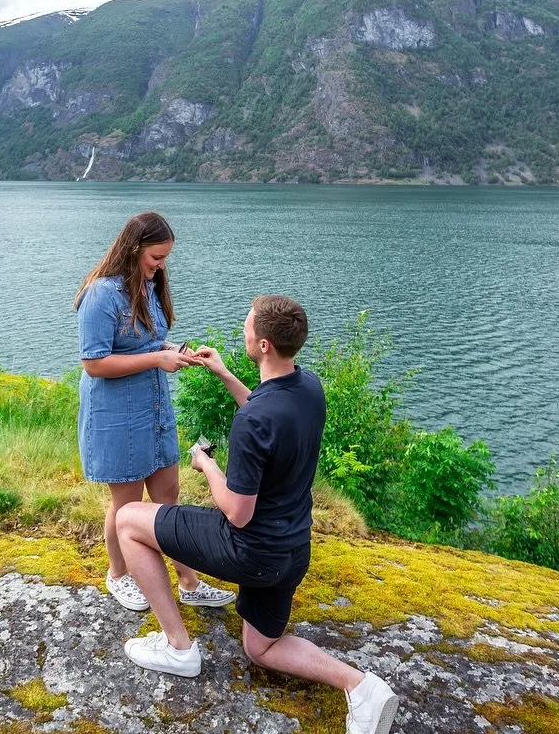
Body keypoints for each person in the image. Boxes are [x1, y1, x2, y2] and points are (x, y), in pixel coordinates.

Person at [113, 295, 401, 734]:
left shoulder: (253, 422)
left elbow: (237, 511)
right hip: (291, 553)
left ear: (264, 344)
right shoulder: (308, 389)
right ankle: (361, 687)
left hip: (248, 550)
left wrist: (206, 465)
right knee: (259, 648)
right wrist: (225, 373)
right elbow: (267, 415)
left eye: (248, 326)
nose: (244, 330)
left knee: (129, 520)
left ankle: (177, 648)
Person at [74, 211, 235, 613]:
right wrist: (156, 359)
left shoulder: (149, 286)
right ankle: (118, 575)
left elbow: (147, 343)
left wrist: (173, 352)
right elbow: (94, 363)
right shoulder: (101, 294)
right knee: (126, 506)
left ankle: (188, 581)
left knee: (167, 495)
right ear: (133, 249)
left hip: (153, 407)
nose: (161, 266)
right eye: (156, 257)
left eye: (165, 258)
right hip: (115, 413)